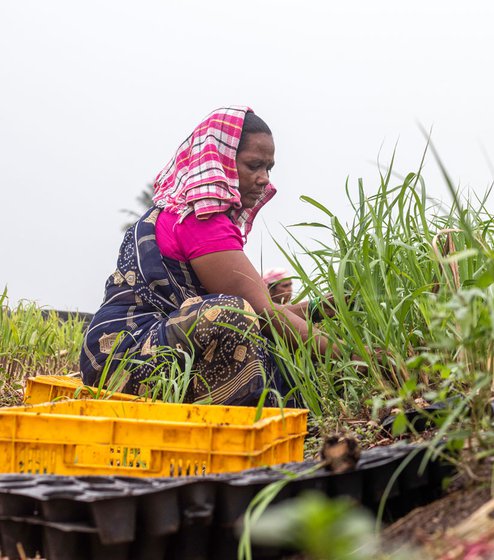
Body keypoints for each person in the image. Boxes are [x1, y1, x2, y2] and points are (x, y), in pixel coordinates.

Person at [80, 107, 350, 406]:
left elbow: (265, 310)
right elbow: (265, 316)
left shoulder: (187, 215)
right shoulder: (202, 220)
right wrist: (355, 360)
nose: (263, 179)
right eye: (253, 165)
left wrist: (320, 309)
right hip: (123, 359)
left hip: (126, 355)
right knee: (230, 314)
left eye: (268, 168)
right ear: (219, 162)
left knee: (247, 318)